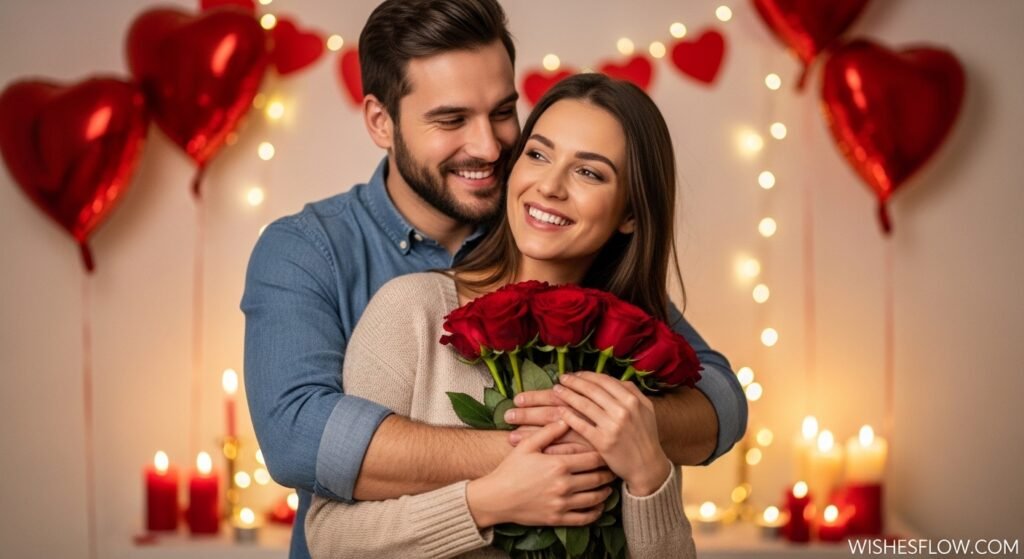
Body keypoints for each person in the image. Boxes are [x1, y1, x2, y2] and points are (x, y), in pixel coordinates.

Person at [241, 1, 746, 557]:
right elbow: (297, 439)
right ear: (381, 122)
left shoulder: (558, 247)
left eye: (503, 112)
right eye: (452, 119)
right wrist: (539, 456)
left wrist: (637, 438)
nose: (489, 147)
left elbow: (718, 400)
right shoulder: (312, 252)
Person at [305, 73, 698, 559]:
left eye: (589, 172)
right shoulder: (412, 311)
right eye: (538, 154)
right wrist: (485, 503)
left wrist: (648, 476)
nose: (549, 186)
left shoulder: (634, 355)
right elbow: (329, 538)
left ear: (632, 213)